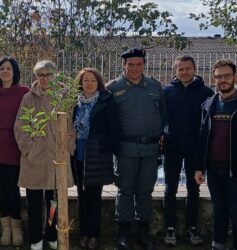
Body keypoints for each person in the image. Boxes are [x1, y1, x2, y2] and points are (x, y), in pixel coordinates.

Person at [193, 59, 237, 250]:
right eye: (218, 77)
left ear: (236, 77)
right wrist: (199, 167)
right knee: (219, 210)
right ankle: (218, 245)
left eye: (226, 76)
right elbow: (202, 138)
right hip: (215, 171)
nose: (222, 80)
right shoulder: (208, 105)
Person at [106, 48, 165, 250]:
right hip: (126, 148)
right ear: (124, 65)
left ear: (144, 65)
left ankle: (143, 232)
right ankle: (123, 234)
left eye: (139, 64)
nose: (135, 68)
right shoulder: (113, 88)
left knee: (145, 191)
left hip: (150, 148)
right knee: (125, 190)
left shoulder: (155, 87)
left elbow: (163, 115)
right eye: (131, 64)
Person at [14, 60, 76, 250]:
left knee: (54, 201)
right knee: (33, 202)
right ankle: (35, 239)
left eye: (48, 74)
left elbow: (72, 127)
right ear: (36, 77)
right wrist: (31, 150)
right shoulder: (28, 98)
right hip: (35, 159)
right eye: (40, 75)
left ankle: (51, 235)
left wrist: (68, 147)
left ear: (55, 76)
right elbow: (20, 128)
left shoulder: (64, 98)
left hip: (58, 158)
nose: (44, 78)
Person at [162, 55, 213, 246]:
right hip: (172, 147)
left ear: (194, 69)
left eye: (187, 68)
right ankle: (170, 227)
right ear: (176, 71)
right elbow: (160, 116)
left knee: (194, 189)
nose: (184, 72)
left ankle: (192, 227)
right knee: (170, 189)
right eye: (180, 69)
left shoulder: (206, 92)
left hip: (195, 148)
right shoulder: (166, 91)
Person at [71, 68, 120, 250]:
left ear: (98, 82)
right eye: (85, 80)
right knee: (81, 198)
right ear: (81, 83)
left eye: (92, 80)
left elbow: (115, 128)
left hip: (97, 154)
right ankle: (83, 233)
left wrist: (103, 146)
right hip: (78, 154)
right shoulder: (74, 103)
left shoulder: (106, 101)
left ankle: (94, 235)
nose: (89, 83)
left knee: (94, 199)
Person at [0, 56, 29, 247]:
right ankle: (6, 228)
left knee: (14, 188)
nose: (4, 71)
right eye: (1, 68)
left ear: (15, 72)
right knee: (2, 189)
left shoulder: (24, 93)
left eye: (8, 68)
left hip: (16, 144)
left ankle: (17, 227)